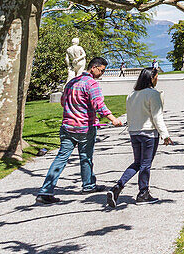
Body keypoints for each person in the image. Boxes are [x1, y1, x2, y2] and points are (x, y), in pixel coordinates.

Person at [37, 56, 123, 204]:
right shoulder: (91, 84)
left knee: (61, 159)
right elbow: (99, 106)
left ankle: (45, 191)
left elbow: (63, 102)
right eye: (101, 70)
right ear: (94, 68)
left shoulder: (71, 82)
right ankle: (88, 185)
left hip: (67, 127)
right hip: (85, 128)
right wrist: (113, 119)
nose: (102, 73)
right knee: (86, 157)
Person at [107, 67, 173, 207]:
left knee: (137, 163)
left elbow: (130, 115)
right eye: (156, 77)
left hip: (134, 132)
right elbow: (157, 117)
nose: (157, 80)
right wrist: (165, 135)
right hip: (148, 133)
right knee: (145, 164)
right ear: (151, 78)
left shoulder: (132, 95)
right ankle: (143, 193)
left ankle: (117, 187)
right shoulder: (152, 94)